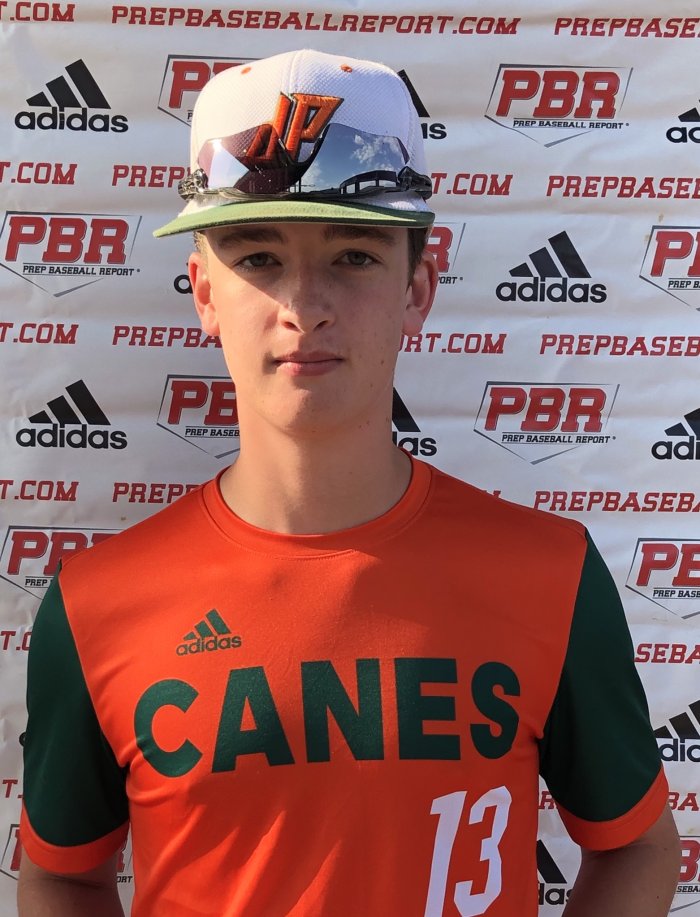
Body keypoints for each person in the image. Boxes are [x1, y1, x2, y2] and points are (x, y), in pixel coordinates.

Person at [18, 49, 679, 917]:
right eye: (259, 257)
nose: (305, 305)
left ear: (418, 287)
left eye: (355, 255)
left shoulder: (550, 575)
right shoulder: (96, 603)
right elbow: (62, 871)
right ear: (203, 292)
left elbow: (636, 845)